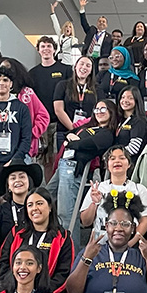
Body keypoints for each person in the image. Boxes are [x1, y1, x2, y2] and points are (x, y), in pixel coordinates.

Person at [52, 99, 118, 241]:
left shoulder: (106, 133)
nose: (98, 112)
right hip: (63, 164)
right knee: (45, 197)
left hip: (73, 169)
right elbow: (68, 134)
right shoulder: (89, 126)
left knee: (66, 214)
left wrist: (73, 142)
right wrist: (72, 140)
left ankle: (72, 251)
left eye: (103, 109)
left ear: (111, 112)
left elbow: (83, 144)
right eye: (96, 109)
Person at [0, 187, 74, 293]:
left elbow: (63, 273)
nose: (35, 208)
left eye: (39, 203)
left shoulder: (63, 238)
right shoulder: (16, 234)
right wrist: (11, 288)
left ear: (50, 207)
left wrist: (42, 292)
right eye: (30, 205)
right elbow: (4, 263)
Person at [80, 145, 147, 237]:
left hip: (130, 245)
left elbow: (145, 221)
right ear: (107, 165)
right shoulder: (97, 188)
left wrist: (131, 243)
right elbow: (86, 222)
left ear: (129, 164)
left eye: (122, 158)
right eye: (112, 159)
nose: (117, 161)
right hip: (100, 245)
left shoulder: (139, 189)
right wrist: (94, 203)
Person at [29, 36, 73, 177]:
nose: (46, 49)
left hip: (61, 122)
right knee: (44, 160)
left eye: (49, 46)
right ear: (38, 50)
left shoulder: (66, 70)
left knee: (60, 158)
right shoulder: (32, 73)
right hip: (41, 123)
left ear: (55, 49)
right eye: (43, 46)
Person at [0, 57, 50, 162]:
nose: (4, 71)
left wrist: (32, 133)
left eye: (8, 68)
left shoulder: (26, 93)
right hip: (1, 149)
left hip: (24, 149)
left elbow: (44, 116)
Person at [0, 160, 44, 248]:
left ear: (29, 182)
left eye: (22, 177)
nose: (18, 180)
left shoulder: (39, 209)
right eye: (13, 178)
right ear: (8, 186)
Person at [53, 56, 97, 152]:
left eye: (88, 65)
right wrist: (73, 129)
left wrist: (82, 130)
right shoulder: (63, 85)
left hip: (87, 133)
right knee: (63, 164)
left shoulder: (97, 89)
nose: (84, 67)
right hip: (64, 132)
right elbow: (58, 110)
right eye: (81, 64)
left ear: (91, 70)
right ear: (75, 66)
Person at [115, 86, 147, 157]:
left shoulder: (139, 122)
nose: (125, 100)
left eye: (130, 98)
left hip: (130, 164)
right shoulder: (119, 120)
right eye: (123, 97)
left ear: (137, 100)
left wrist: (114, 155)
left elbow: (133, 149)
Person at [50, 1, 78, 66]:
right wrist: (52, 11)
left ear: (71, 30)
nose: (68, 28)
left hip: (67, 61)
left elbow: (75, 44)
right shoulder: (61, 36)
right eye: (66, 26)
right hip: (58, 59)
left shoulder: (73, 39)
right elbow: (56, 24)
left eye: (70, 27)